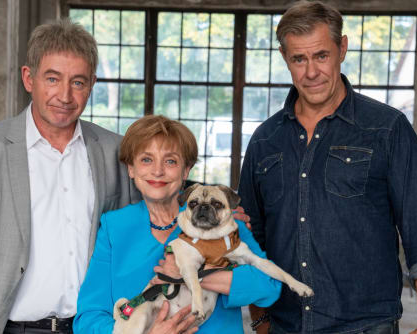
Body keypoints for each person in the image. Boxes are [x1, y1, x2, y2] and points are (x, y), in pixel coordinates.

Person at [237, 1, 417, 333]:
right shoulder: (265, 140)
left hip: (365, 325)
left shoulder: (386, 129)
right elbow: (250, 240)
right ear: (285, 57)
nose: (311, 72)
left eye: (321, 56)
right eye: (299, 59)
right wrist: (261, 318)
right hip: (286, 324)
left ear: (342, 49)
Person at [0, 20, 140, 333]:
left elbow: (142, 230)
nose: (64, 95)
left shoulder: (115, 151)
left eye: (78, 82)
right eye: (52, 78)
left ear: (92, 84)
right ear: (28, 78)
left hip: (93, 325)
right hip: (12, 327)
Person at [74, 115, 281, 333]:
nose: (158, 171)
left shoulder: (221, 220)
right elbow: (88, 318)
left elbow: (269, 285)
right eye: (146, 159)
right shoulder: (114, 227)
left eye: (170, 161)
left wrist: (193, 274)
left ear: (185, 170)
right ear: (131, 168)